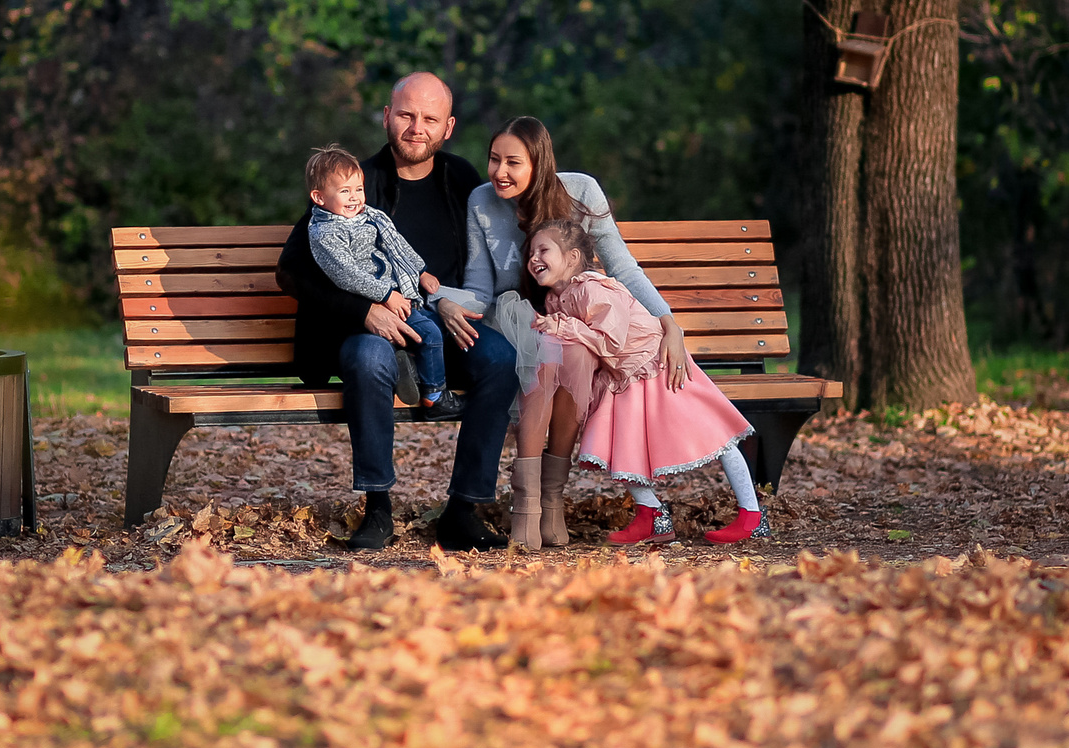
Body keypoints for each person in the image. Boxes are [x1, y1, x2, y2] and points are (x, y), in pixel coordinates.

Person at [274, 73, 520, 552]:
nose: (416, 128)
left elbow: (507, 232)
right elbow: (291, 270)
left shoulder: (461, 178)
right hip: (373, 325)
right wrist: (363, 310)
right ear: (388, 117)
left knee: (500, 360)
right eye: (406, 115)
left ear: (448, 127)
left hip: (441, 319)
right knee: (368, 359)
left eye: (430, 118)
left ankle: (462, 511)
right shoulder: (353, 183)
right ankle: (377, 507)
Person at [441, 115, 700, 548]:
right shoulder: (481, 201)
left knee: (574, 353)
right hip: (516, 317)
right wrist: (445, 300)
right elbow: (480, 288)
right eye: (494, 159)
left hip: (575, 322)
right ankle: (526, 502)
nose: (499, 172)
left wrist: (667, 321)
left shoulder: (581, 192)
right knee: (545, 353)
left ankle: (552, 498)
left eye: (513, 162)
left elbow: (622, 268)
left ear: (538, 163)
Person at [521, 218, 767, 546]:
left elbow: (611, 341)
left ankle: (752, 515)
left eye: (543, 250)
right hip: (621, 377)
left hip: (657, 364)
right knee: (619, 442)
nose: (534, 258)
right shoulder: (556, 299)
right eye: (531, 252)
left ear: (572, 257)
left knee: (713, 432)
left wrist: (562, 327)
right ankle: (651, 514)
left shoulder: (594, 289)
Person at [302, 144, 444, 409]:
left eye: (359, 189)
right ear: (319, 197)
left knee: (430, 329)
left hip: (395, 294)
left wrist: (420, 271)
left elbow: (397, 244)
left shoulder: (371, 216)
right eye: (345, 191)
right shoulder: (325, 233)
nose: (355, 197)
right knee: (428, 333)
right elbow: (347, 275)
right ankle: (435, 394)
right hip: (366, 306)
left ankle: (411, 371)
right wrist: (387, 295)